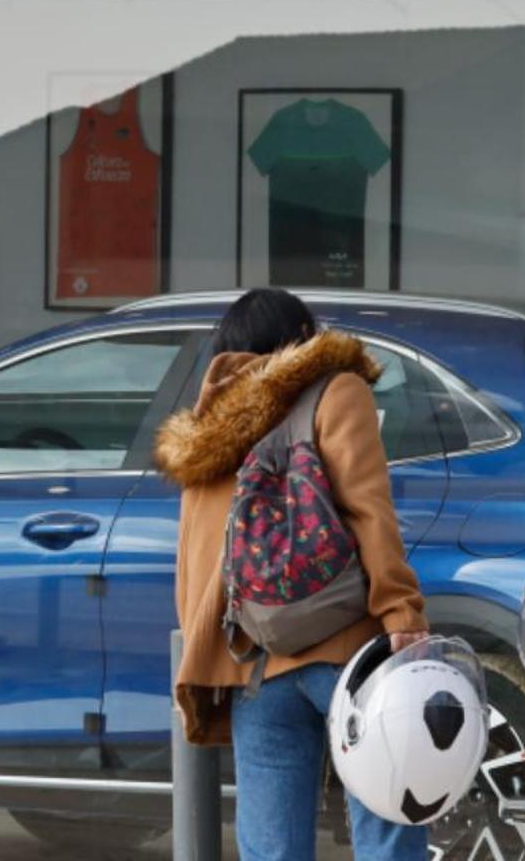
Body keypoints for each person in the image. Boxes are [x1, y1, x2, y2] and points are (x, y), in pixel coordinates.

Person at [155, 287, 430, 861]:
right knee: (387, 830)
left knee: (272, 851)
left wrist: (212, 659)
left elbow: (194, 563)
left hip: (257, 667)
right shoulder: (338, 391)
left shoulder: (204, 430)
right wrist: (402, 611)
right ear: (306, 336)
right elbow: (368, 510)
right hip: (347, 656)